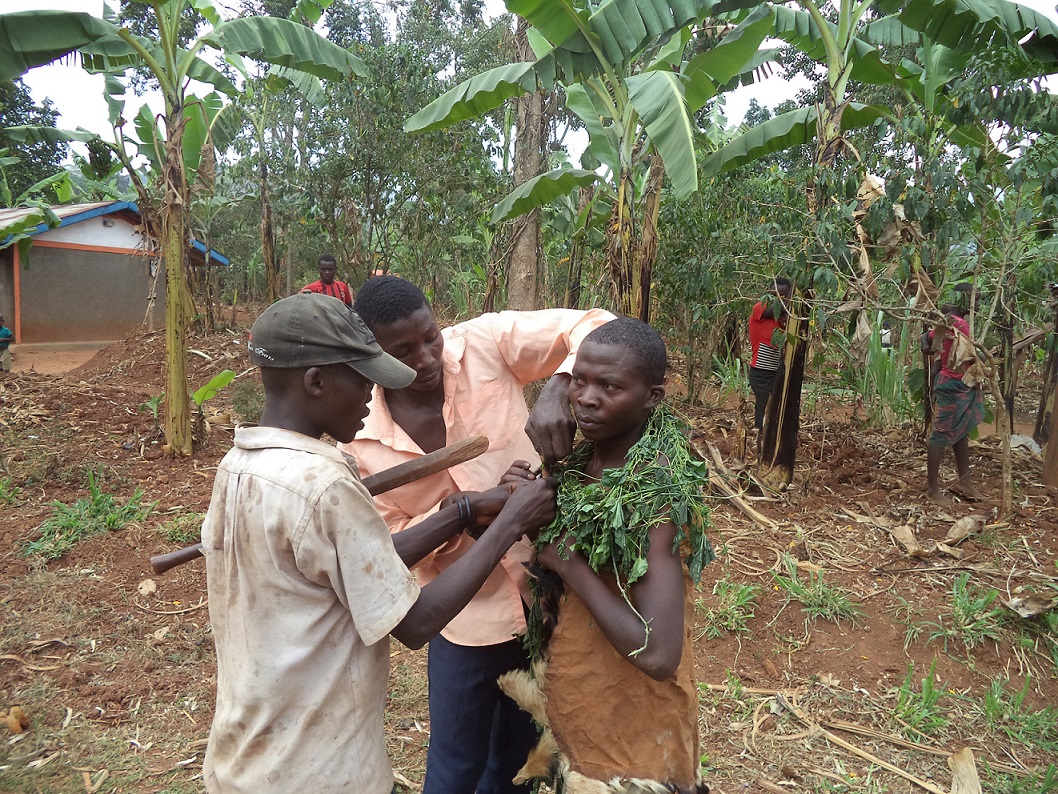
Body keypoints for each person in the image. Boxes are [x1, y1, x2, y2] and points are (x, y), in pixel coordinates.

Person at [201, 292, 557, 794]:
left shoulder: (238, 466)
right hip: (321, 771)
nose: (373, 396)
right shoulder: (326, 485)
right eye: (363, 378)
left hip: (252, 752)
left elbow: (368, 556)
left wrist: (462, 510)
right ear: (316, 382)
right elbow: (414, 621)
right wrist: (509, 521)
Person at [340, 275, 614, 794]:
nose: (426, 358)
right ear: (373, 354)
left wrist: (559, 385)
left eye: (430, 336)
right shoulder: (359, 436)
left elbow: (595, 324)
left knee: (520, 757)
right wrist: (463, 514)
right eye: (402, 351)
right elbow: (387, 542)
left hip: (550, 593)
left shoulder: (484, 343)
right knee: (455, 764)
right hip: (467, 618)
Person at [500, 317, 713, 793]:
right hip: (582, 700)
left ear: (652, 396)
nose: (586, 398)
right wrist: (520, 504)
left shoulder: (656, 492)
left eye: (609, 386)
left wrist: (565, 561)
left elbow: (658, 653)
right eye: (579, 381)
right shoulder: (582, 460)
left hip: (635, 728)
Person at [922, 304, 985, 503]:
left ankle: (964, 481)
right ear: (964, 303)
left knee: (961, 431)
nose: (976, 305)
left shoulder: (949, 322)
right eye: (974, 299)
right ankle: (932, 490)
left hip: (958, 382)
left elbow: (926, 338)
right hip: (954, 383)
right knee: (940, 435)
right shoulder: (958, 323)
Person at [748, 276, 792, 431]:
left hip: (776, 372)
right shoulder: (760, 308)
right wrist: (793, 293)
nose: (779, 299)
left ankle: (761, 434)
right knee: (767, 406)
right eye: (775, 294)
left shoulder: (782, 321)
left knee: (769, 407)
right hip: (761, 372)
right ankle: (761, 435)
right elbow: (779, 308)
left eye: (783, 295)